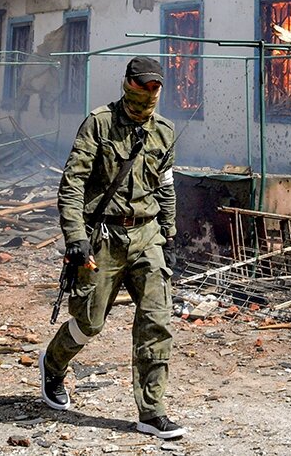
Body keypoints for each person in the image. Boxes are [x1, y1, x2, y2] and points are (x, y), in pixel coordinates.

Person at [39, 56, 185, 439]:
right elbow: (72, 184)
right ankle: (53, 365)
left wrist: (168, 235)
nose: (150, 94)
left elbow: (165, 188)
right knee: (89, 321)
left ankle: (151, 413)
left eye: (156, 87)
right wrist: (76, 238)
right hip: (103, 238)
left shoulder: (165, 132)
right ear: (128, 84)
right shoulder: (99, 124)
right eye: (143, 86)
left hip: (147, 235)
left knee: (157, 322)